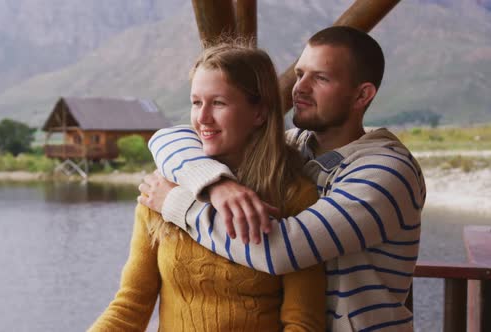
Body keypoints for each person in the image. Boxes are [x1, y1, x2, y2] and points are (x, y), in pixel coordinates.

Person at [140, 26, 426, 331]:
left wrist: (177, 203)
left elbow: (282, 251)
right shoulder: (296, 147)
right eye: (300, 73)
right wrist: (217, 185)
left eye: (320, 78)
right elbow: (169, 138)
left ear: (361, 95)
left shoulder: (387, 172)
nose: (299, 87)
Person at [88, 42, 326, 331]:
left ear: (259, 113)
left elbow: (303, 324)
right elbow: (130, 306)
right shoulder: (162, 189)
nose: (202, 119)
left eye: (219, 103)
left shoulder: (294, 195)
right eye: (196, 102)